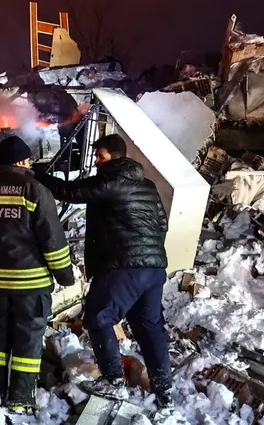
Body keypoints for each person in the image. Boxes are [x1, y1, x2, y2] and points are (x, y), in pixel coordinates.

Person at [34, 134, 173, 408]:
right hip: (154, 268)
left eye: (101, 156)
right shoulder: (146, 185)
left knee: (98, 317)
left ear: (115, 157)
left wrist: (37, 175)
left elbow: (70, 192)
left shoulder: (112, 180)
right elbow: (162, 224)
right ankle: (164, 388)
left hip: (124, 266)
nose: (97, 161)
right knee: (149, 327)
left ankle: (113, 381)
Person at [0, 135, 74, 414]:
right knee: (27, 339)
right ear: (22, 162)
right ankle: (21, 399)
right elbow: (52, 240)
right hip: (31, 285)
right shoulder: (35, 190)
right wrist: (65, 275)